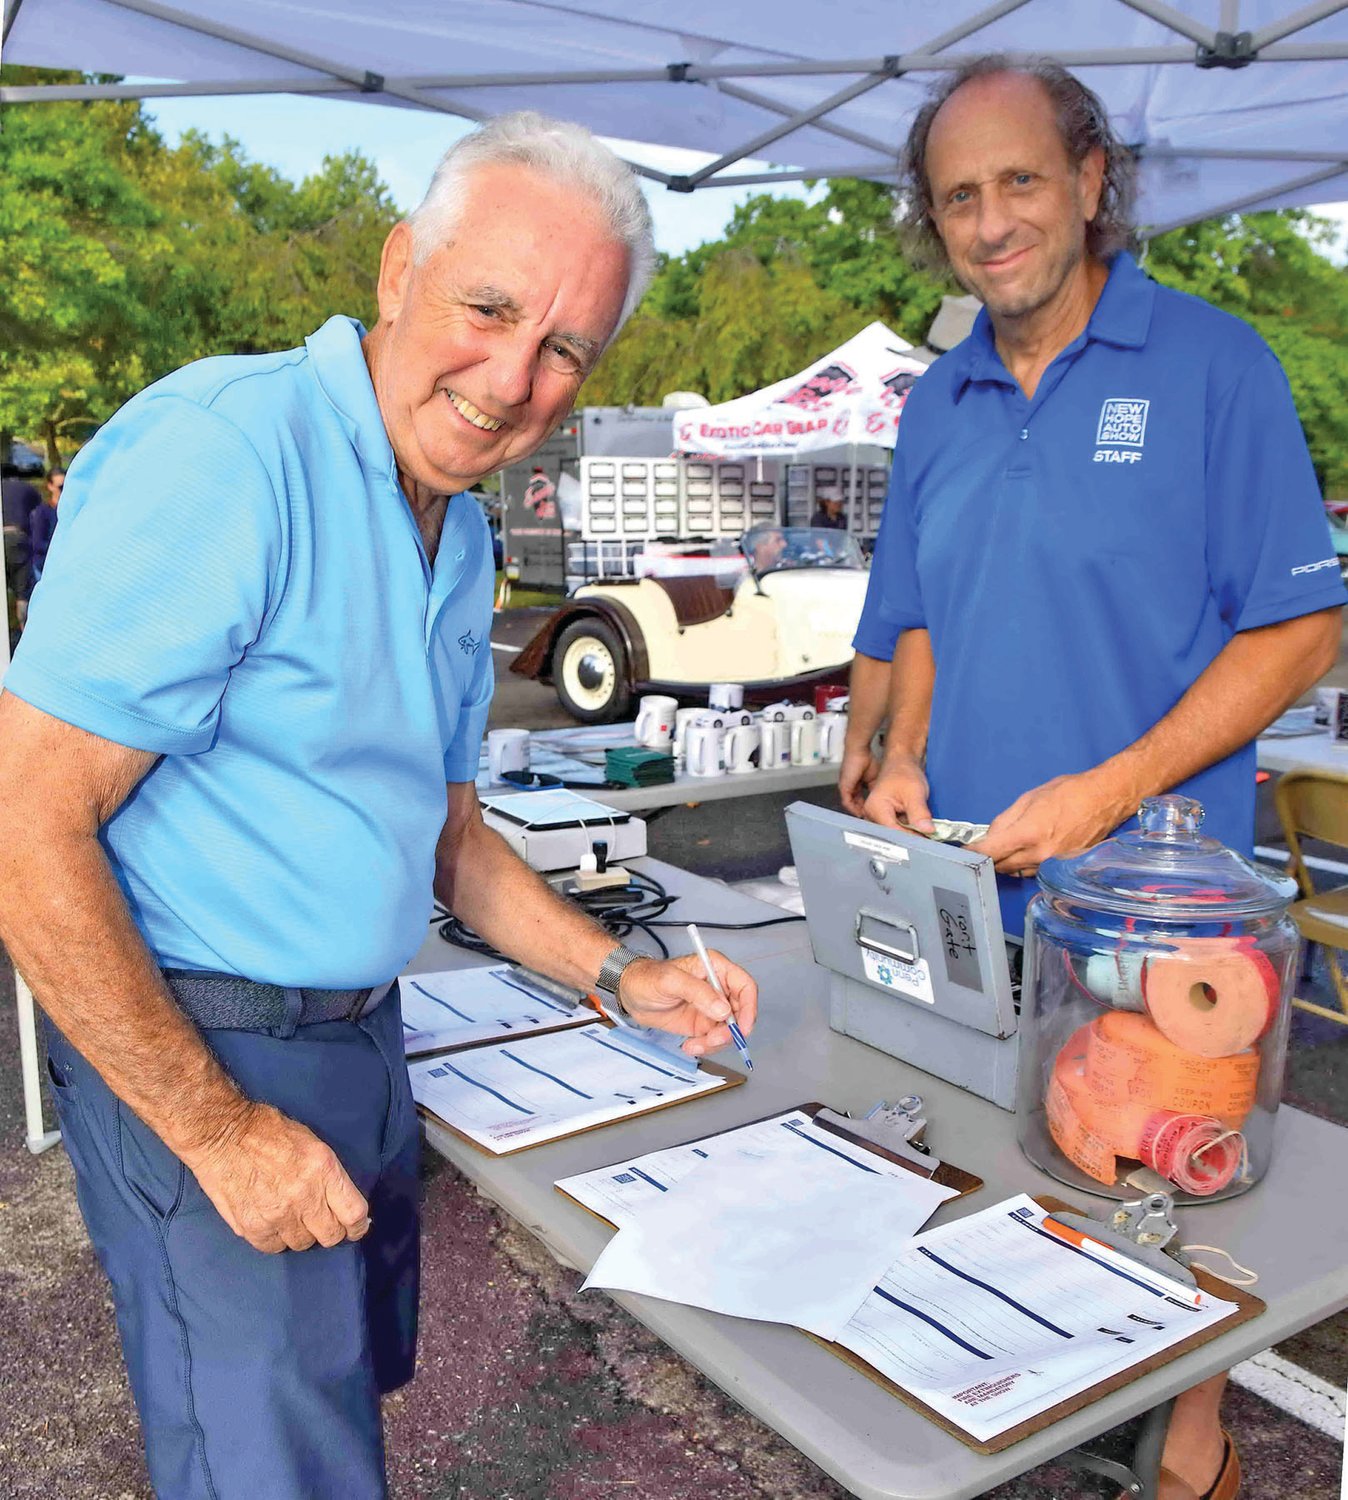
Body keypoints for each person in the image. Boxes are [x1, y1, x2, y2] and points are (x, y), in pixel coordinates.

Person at [0, 112, 754, 1500]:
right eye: (489, 307)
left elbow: (450, 839)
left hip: (358, 1040)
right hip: (201, 1041)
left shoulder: (457, 523)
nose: (514, 377)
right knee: (272, 1470)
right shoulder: (230, 454)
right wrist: (222, 1133)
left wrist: (615, 975)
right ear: (401, 266)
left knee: (335, 1415)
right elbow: (20, 826)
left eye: (567, 347)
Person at [842, 58, 1342, 1500]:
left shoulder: (1212, 366)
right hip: (966, 901)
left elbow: (1303, 622)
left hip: (1159, 914)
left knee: (1167, 1214)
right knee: (993, 1196)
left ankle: (1195, 1460)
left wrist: (1114, 788)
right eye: (956, 199)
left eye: (1018, 183)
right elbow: (918, 612)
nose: (990, 223)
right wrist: (898, 756)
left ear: (1091, 183)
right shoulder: (936, 400)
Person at [2, 462, 41, 626]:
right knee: (23, 589)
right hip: (17, 538)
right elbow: (38, 510)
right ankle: (24, 627)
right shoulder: (26, 488)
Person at [28, 467, 62, 585]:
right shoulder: (42, 512)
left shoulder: (72, 511)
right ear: (50, 486)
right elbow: (37, 543)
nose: (64, 490)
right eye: (60, 487)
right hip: (45, 566)